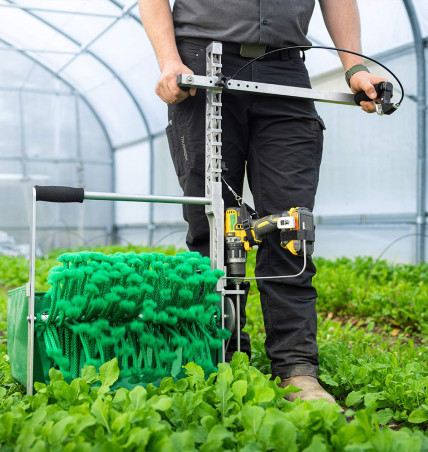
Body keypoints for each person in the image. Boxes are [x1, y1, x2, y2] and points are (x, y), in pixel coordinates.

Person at [138, 0, 386, 402]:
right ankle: (220, 356)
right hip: (201, 62)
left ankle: (296, 368)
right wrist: (169, 60)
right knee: (213, 228)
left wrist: (355, 67)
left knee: (292, 225)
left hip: (285, 67)